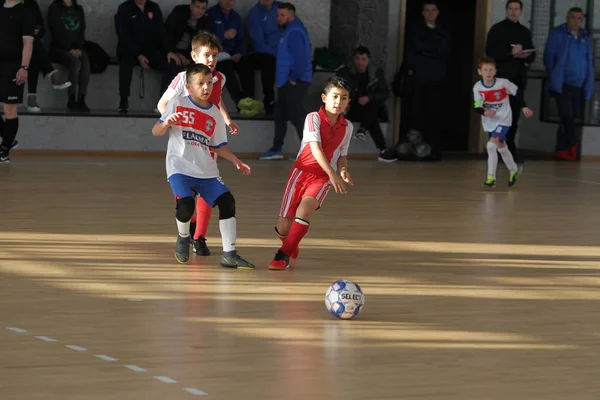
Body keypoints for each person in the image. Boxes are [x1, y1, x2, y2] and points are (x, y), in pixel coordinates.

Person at [152, 63, 255, 269]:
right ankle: (183, 238)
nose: (206, 87)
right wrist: (165, 123)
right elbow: (156, 131)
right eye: (201, 83)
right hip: (179, 168)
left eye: (209, 83)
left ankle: (229, 254)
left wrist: (235, 160)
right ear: (189, 88)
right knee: (186, 206)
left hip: (206, 171)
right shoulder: (178, 103)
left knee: (228, 202)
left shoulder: (215, 113)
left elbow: (217, 146)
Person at [157, 31, 239, 257]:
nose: (211, 60)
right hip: (185, 145)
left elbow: (215, 99)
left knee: (207, 191)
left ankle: (199, 237)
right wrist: (176, 125)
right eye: (206, 55)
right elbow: (162, 104)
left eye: (214, 55)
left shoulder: (218, 79)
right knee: (187, 197)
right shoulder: (183, 78)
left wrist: (227, 119)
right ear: (194, 56)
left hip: (206, 144)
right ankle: (188, 230)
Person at [268, 76, 354, 270]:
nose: (338, 102)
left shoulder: (348, 127)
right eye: (335, 96)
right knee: (283, 225)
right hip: (300, 173)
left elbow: (342, 155)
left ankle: (282, 256)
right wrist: (334, 173)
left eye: (344, 98)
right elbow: (315, 149)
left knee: (304, 210)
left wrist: (342, 170)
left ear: (348, 101)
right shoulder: (313, 118)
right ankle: (289, 244)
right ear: (324, 97)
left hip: (322, 177)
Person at [259, 2, 313, 160]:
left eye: (283, 15)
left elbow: (301, 58)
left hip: (295, 81)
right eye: (278, 15)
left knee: (297, 115)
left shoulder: (295, 31)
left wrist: (293, 78)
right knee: (280, 115)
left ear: (292, 16)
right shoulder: (288, 31)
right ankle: (276, 148)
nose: (279, 18)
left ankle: (309, 151)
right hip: (286, 82)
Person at [485, 0, 535, 159]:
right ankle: (494, 149)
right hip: (500, 80)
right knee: (498, 115)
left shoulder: (524, 31)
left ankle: (509, 149)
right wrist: (510, 53)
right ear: (506, 10)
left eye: (516, 9)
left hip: (517, 80)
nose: (513, 11)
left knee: (513, 116)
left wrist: (526, 55)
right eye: (511, 9)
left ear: (521, 11)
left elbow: (532, 54)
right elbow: (490, 52)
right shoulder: (497, 30)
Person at [543, 7, 595, 161]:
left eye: (579, 18)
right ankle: (572, 143)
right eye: (573, 17)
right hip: (562, 82)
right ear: (567, 18)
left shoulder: (585, 38)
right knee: (566, 114)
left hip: (579, 84)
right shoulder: (558, 34)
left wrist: (588, 84)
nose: (576, 20)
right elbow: (549, 57)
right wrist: (554, 76)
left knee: (571, 117)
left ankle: (562, 149)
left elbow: (589, 61)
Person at [473, 57, 532, 188]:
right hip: (490, 121)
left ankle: (490, 178)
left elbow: (517, 93)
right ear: (479, 72)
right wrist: (485, 112)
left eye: (491, 70)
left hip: (504, 119)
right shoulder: (477, 87)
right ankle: (514, 169)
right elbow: (477, 107)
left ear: (495, 71)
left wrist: (524, 106)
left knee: (490, 146)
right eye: (485, 70)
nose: (488, 73)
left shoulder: (503, 83)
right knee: (501, 146)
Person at [403, 1, 451, 161]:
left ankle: (434, 150)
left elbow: (444, 50)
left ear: (438, 12)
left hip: (437, 78)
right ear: (423, 13)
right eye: (427, 10)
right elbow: (414, 48)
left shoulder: (443, 30)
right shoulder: (415, 29)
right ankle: (416, 150)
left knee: (435, 115)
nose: (430, 13)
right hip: (419, 77)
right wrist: (430, 50)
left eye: (433, 10)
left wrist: (425, 50)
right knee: (418, 114)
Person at [337, 46, 396, 162]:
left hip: (369, 108)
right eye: (358, 59)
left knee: (372, 107)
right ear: (354, 59)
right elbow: (335, 89)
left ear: (368, 60)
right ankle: (382, 148)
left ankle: (364, 130)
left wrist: (369, 97)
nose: (360, 62)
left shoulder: (376, 74)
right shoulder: (345, 72)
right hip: (351, 108)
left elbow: (385, 93)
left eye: (363, 59)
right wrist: (344, 102)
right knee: (372, 114)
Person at [207, 0, 262, 114]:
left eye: (232, 0)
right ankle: (240, 104)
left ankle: (249, 100)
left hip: (232, 54)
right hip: (217, 55)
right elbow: (205, 39)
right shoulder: (210, 14)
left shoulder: (235, 17)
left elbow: (241, 40)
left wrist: (239, 53)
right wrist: (223, 36)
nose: (229, 3)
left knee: (247, 64)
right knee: (227, 70)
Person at [115, 0, 168, 113]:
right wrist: (138, 55)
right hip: (130, 50)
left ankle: (164, 102)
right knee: (126, 63)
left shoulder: (153, 7)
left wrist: (169, 52)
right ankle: (123, 101)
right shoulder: (124, 8)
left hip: (150, 50)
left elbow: (161, 32)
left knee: (171, 64)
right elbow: (123, 34)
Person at [0, 0, 34, 163]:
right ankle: (9, 139)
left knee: (9, 108)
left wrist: (24, 67)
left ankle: (4, 149)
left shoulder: (25, 12)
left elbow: (28, 43)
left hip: (13, 66)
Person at [23, 0, 71, 112]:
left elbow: (41, 26)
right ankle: (52, 74)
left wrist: (37, 30)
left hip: (30, 44)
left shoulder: (31, 3)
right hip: (12, 43)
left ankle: (32, 98)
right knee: (32, 45)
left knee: (33, 51)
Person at [48, 0, 90, 112]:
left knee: (85, 60)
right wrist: (69, 49)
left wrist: (78, 47)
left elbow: (82, 30)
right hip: (59, 48)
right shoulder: (54, 8)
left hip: (76, 48)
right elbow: (56, 31)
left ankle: (81, 98)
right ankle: (71, 98)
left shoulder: (78, 9)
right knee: (75, 62)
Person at [163, 0, 211, 90]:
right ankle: (166, 100)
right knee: (173, 66)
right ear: (191, 6)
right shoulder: (179, 12)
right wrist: (172, 51)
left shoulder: (204, 21)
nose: (199, 11)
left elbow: (203, 44)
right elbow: (167, 33)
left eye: (203, 8)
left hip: (190, 54)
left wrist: (189, 58)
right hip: (173, 49)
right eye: (197, 7)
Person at [246, 0, 281, 114]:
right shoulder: (255, 14)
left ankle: (291, 103)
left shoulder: (281, 7)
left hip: (285, 52)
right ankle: (269, 101)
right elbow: (259, 44)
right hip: (266, 53)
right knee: (269, 63)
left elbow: (295, 27)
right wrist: (278, 55)